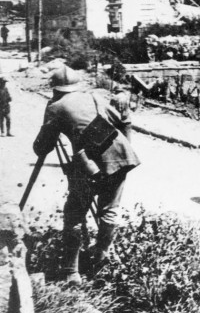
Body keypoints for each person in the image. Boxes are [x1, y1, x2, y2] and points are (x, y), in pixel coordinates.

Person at [33, 66, 140, 286]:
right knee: (109, 211)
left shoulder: (55, 106)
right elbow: (122, 120)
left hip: (90, 164)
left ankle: (72, 273)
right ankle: (101, 259)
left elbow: (43, 147)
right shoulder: (94, 96)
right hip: (120, 156)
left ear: (55, 89)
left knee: (74, 214)